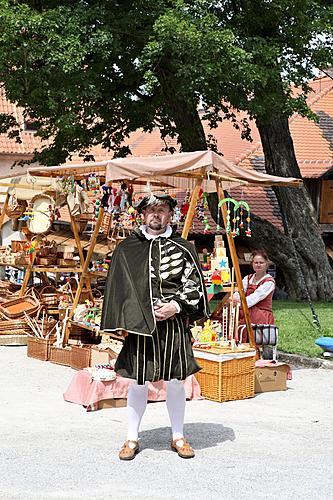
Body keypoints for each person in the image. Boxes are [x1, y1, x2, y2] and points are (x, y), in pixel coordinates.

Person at [101, 193, 209, 461]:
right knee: (138, 382)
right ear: (143, 215)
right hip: (140, 326)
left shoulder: (184, 248)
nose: (156, 215)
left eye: (162, 210)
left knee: (175, 381)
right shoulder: (128, 248)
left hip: (172, 326)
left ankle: (178, 436)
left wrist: (176, 305)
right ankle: (131, 438)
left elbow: (194, 283)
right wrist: (138, 310)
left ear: (171, 214)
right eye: (151, 210)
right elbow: (120, 288)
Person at [233, 249, 276, 329]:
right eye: (256, 263)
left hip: (261, 315)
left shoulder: (269, 282)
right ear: (252, 264)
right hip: (247, 309)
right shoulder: (248, 278)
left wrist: (240, 303)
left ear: (266, 264)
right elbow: (239, 291)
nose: (258, 265)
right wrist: (234, 299)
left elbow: (255, 297)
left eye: (261, 263)